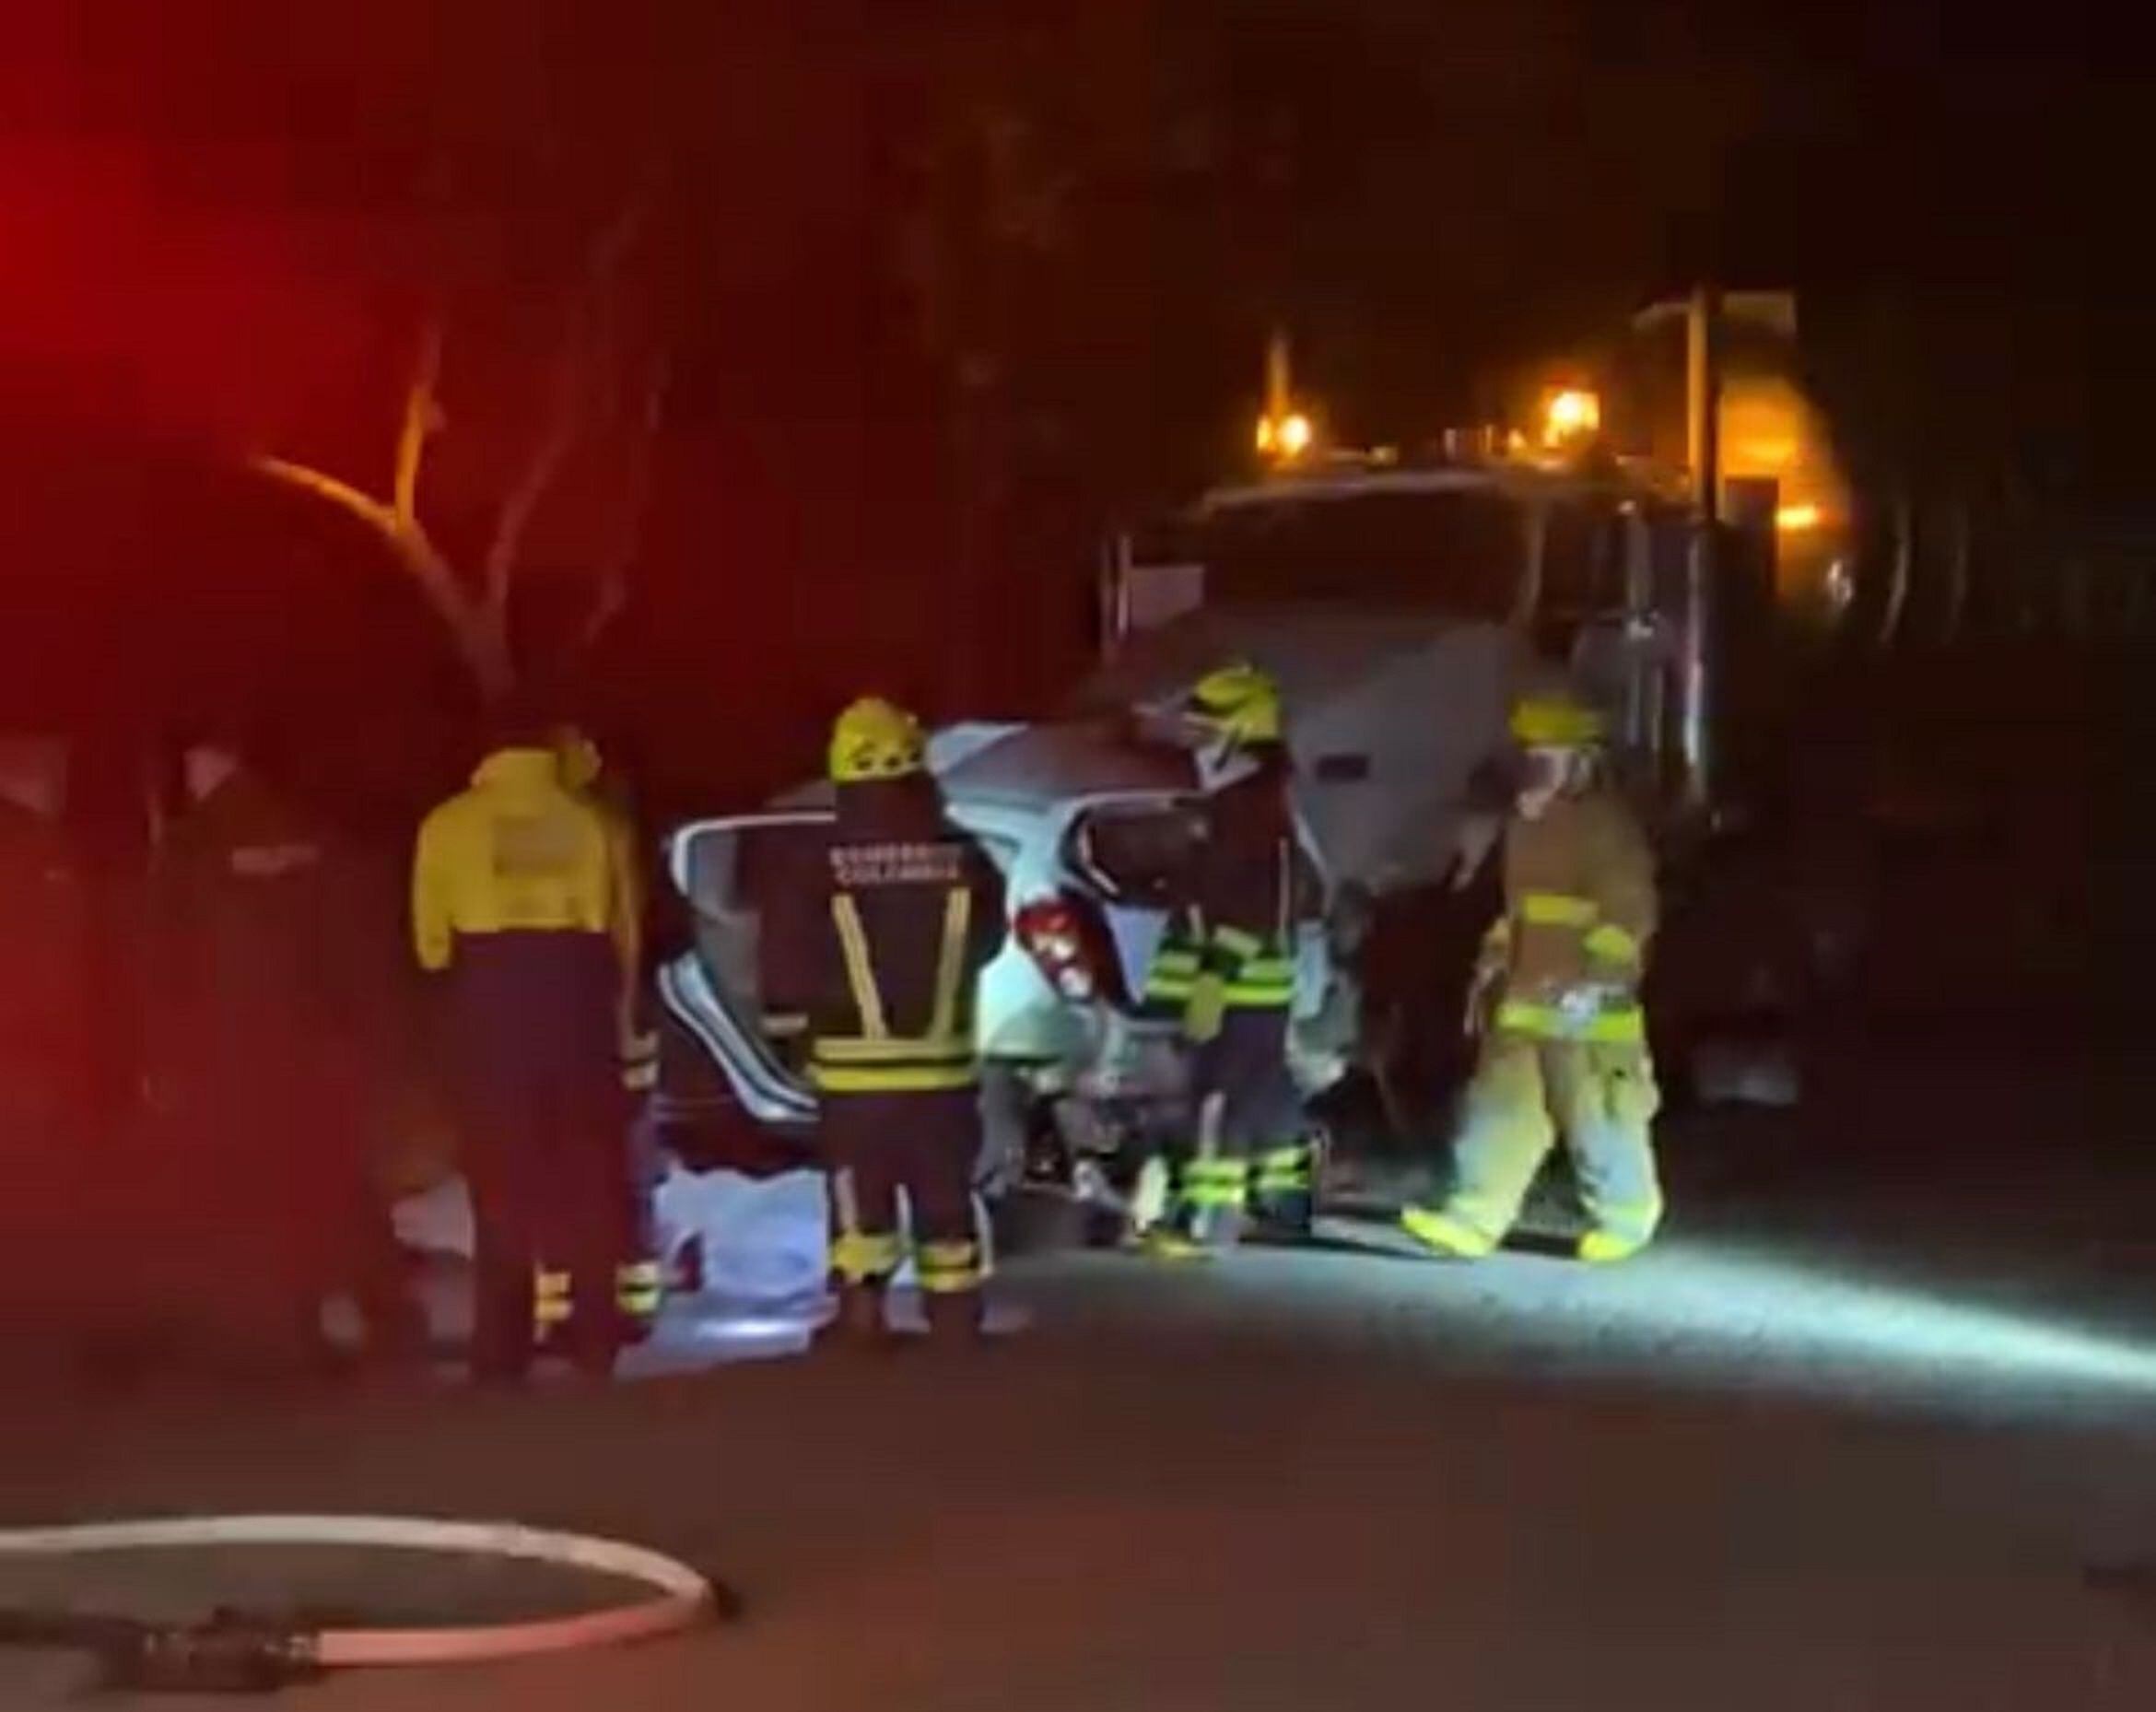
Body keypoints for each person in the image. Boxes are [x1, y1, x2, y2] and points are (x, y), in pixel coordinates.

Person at [152, 738, 420, 1372]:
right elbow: (366, 948)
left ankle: (293, 1331)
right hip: (326, 1045)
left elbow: (163, 958)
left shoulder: (192, 848)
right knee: (343, 1185)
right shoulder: (318, 838)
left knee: (268, 1195)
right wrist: (380, 1040)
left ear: (201, 765)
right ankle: (386, 1314)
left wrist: (164, 1057)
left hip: (240, 1047)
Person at [1400, 686, 1663, 1262]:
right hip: (1525, 997)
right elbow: (1520, 910)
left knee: (1598, 1113)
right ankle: (1472, 1218)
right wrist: (1492, 963)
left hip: (1585, 1008)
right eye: (1531, 754)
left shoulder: (1605, 827)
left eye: (1549, 754)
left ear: (1582, 762)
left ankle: (1624, 1219)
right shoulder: (1526, 826)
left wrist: (1600, 981)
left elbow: (1628, 911)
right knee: (1498, 1108)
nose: (1535, 766)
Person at [412, 716, 639, 1381]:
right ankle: (596, 1338)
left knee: (503, 1184)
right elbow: (624, 936)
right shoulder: (595, 823)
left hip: (491, 1014)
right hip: (577, 1007)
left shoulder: (449, 825)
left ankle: (502, 1349)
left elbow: (430, 944)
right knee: (589, 1180)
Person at [800, 696, 1006, 1346]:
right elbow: (989, 938)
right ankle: (954, 1314)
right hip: (942, 1069)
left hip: (853, 1076)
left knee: (860, 1194)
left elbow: (790, 954)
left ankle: (863, 1317)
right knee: (944, 1189)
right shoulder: (964, 855)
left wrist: (793, 1029)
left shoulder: (818, 860)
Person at [1141, 663, 1319, 1254]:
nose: (1198, 746)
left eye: (1208, 732)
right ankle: (1284, 1203)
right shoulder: (1241, 806)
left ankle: (1203, 1223)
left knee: (1219, 1103)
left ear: (1243, 735)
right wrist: (1171, 993)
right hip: (1242, 987)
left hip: (1241, 988)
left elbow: (1257, 911)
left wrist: (1212, 979)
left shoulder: (1251, 815)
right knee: (1264, 1093)